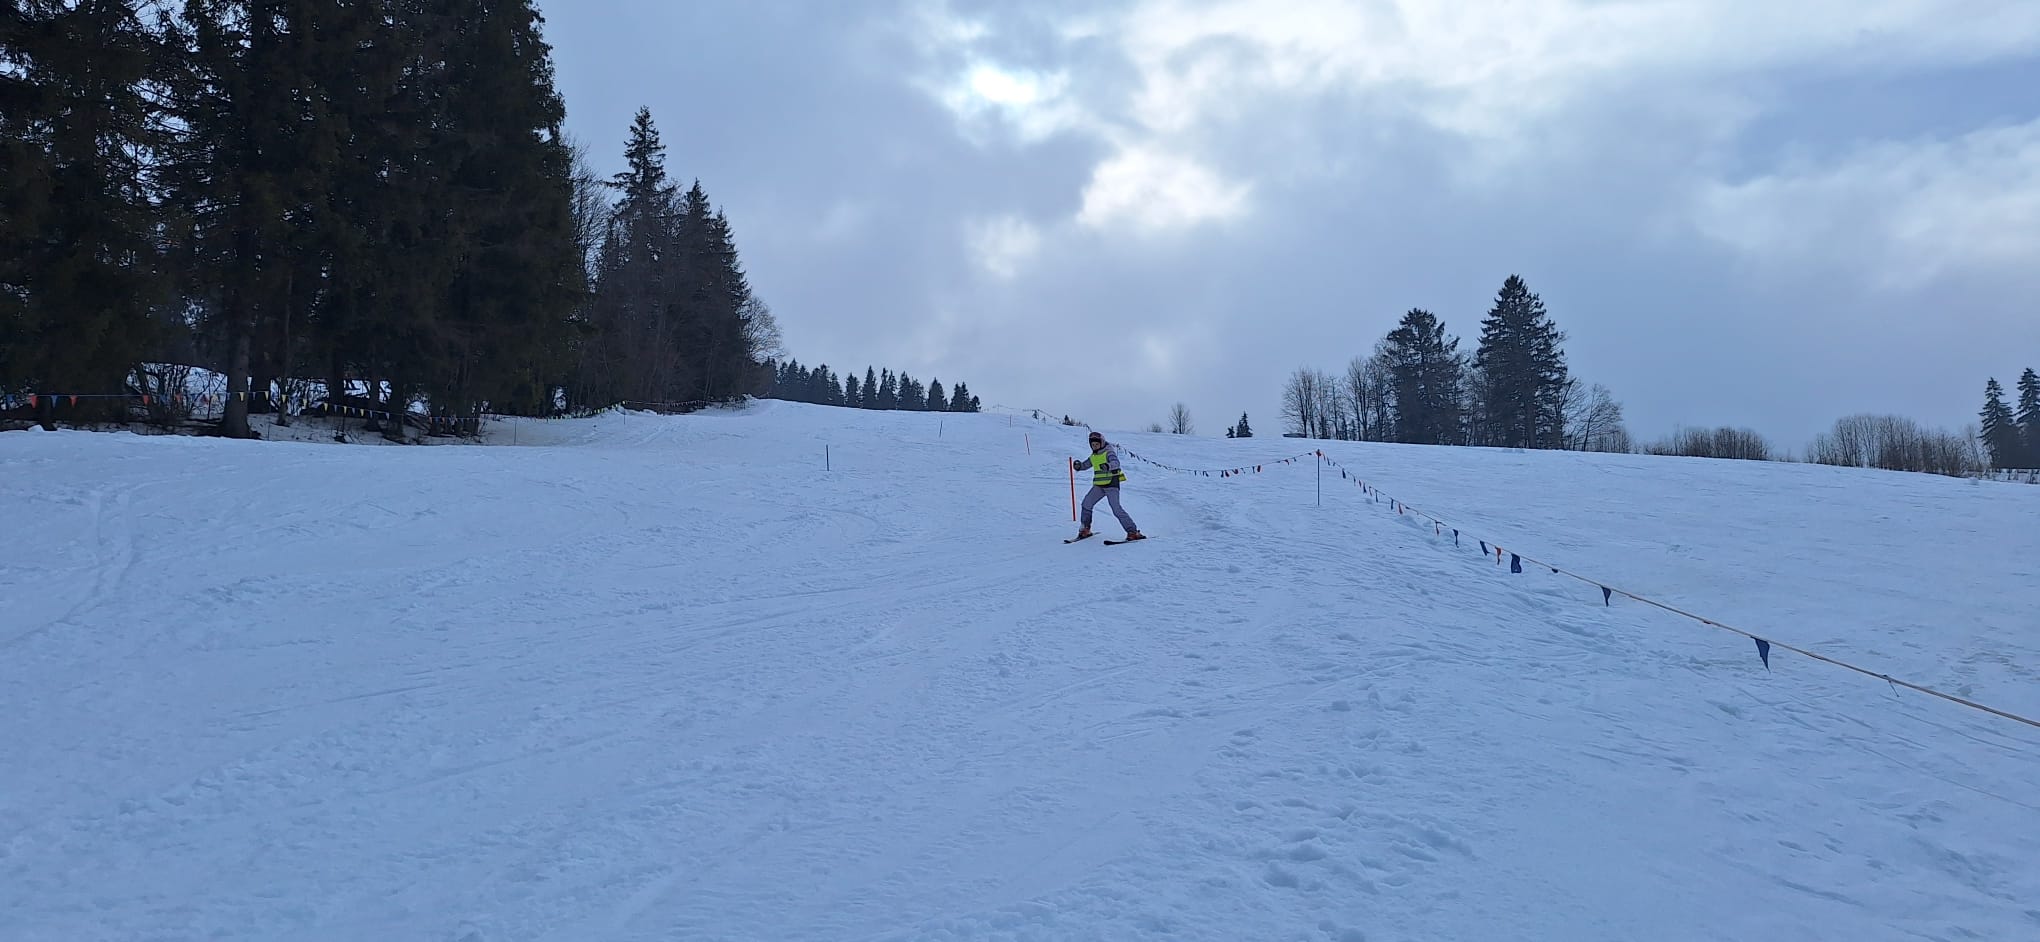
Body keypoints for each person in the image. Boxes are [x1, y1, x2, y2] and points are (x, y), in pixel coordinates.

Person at [1072, 431, 1145, 541]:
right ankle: (1085, 529)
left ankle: (1133, 532)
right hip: (1099, 486)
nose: (1095, 446)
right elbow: (1085, 465)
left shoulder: (1109, 452)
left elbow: (1116, 463)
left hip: (1111, 485)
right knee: (1086, 503)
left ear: (1101, 443)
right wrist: (1079, 466)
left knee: (1116, 509)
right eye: (1093, 445)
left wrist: (1108, 465)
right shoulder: (1094, 456)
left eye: (1097, 444)